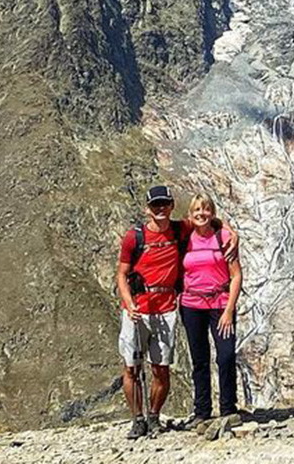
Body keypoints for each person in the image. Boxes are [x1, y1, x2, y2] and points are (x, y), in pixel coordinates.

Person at [116, 184, 186, 440]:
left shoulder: (180, 230)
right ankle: (137, 419)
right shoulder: (134, 238)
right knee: (131, 368)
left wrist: (230, 232)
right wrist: (128, 302)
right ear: (148, 209)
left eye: (164, 204)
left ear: (171, 205)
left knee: (161, 368)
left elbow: (207, 220)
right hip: (137, 309)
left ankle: (154, 416)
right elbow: (122, 275)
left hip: (166, 309)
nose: (160, 209)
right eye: (155, 205)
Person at [179, 194, 243, 436]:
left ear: (212, 213)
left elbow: (236, 275)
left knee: (226, 355)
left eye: (206, 209)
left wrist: (229, 310)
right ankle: (202, 412)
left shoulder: (223, 237)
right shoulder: (184, 237)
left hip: (220, 304)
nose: (201, 214)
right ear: (190, 214)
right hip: (191, 304)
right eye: (196, 209)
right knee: (200, 360)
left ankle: (228, 409)